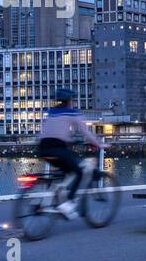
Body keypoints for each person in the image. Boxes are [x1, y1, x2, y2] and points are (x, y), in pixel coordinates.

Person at [37, 87, 105, 220]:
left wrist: (69, 140)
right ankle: (67, 204)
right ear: (70, 100)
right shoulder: (72, 113)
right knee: (80, 171)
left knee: (66, 172)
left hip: (43, 148)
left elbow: (50, 132)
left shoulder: (51, 112)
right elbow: (86, 132)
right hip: (58, 149)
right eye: (73, 100)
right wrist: (98, 144)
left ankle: (58, 195)